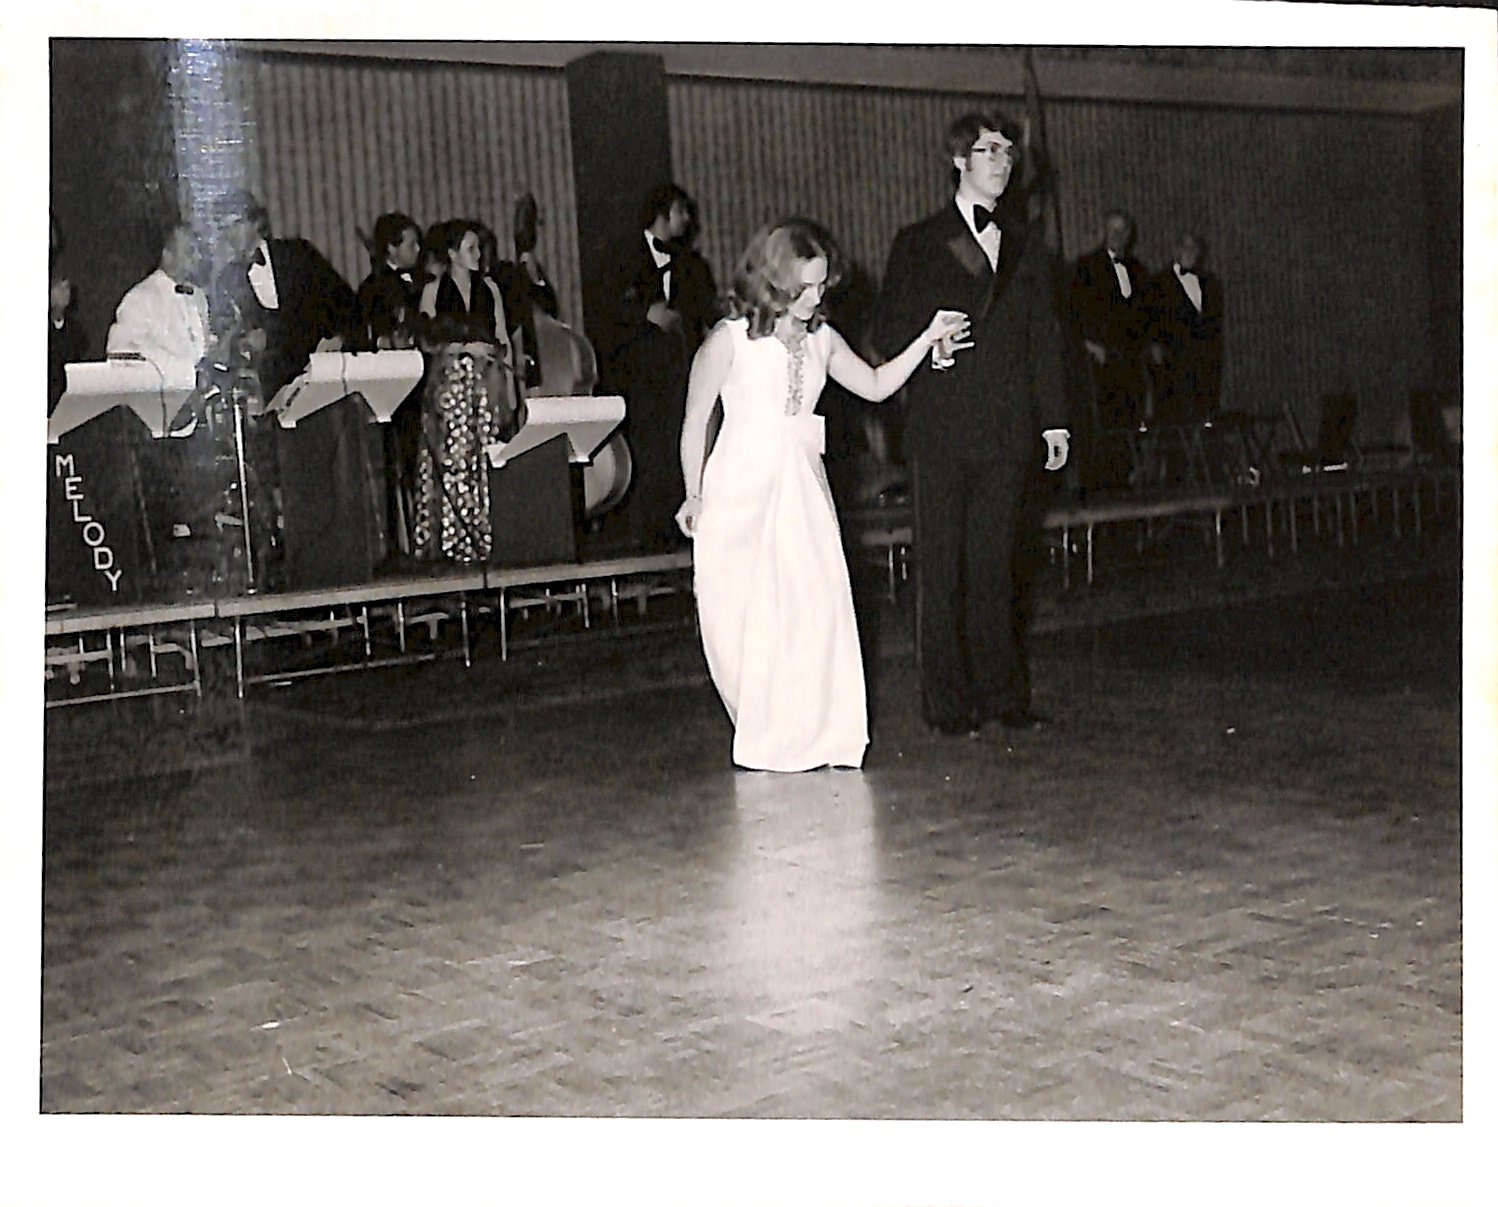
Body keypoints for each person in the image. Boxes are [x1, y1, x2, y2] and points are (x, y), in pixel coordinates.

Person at [676, 218, 970, 772]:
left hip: (801, 488)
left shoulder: (823, 341)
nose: (815, 298)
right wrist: (693, 494)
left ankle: (816, 736)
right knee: (733, 620)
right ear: (772, 281)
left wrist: (927, 340)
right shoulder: (728, 341)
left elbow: (877, 386)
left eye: (821, 285)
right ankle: (765, 728)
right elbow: (695, 422)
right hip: (738, 489)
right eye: (803, 287)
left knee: (814, 610)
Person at [870, 109, 1070, 739]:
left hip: (1008, 429)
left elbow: (1044, 337)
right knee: (942, 570)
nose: (1003, 162)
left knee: (996, 567)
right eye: (988, 151)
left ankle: (1004, 697)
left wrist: (1054, 421)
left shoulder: (1027, 244)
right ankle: (947, 704)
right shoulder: (918, 241)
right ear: (958, 161)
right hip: (943, 427)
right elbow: (887, 330)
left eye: (1008, 152)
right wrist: (928, 348)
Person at [596, 182, 718, 552]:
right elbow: (604, 307)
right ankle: (644, 530)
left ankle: (677, 527)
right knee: (645, 448)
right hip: (638, 374)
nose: (687, 218)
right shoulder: (622, 255)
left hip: (678, 370)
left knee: (676, 443)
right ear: (663, 214)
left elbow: (706, 313)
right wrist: (645, 314)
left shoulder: (692, 265)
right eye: (681, 211)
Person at [411, 219, 523, 564]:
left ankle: (484, 539)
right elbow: (426, 342)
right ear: (452, 254)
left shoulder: (490, 289)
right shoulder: (433, 291)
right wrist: (464, 347)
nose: (478, 255)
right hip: (450, 388)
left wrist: (510, 386)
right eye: (471, 249)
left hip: (486, 386)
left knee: (485, 459)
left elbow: (502, 337)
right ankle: (450, 541)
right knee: (453, 459)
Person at [210, 190, 358, 402]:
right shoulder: (226, 280)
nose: (230, 234)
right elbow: (225, 338)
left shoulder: (298, 253)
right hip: (273, 389)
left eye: (237, 223)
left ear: (257, 222)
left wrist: (340, 339)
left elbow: (345, 302)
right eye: (224, 228)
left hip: (322, 375)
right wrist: (245, 344)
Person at [1070, 208, 1150, 487]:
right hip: (1099, 364)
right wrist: (1090, 346)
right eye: (1112, 229)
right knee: (1103, 426)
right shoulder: (1085, 267)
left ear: (1129, 235)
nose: (1118, 235)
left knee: (1130, 422)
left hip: (1130, 364)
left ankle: (1126, 484)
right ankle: (1101, 488)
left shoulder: (1139, 271)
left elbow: (1146, 317)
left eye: (1122, 230)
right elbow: (1072, 314)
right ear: (1104, 232)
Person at [105, 221, 211, 377]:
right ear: (167, 255)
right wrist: (176, 370)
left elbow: (201, 351)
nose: (198, 257)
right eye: (190, 251)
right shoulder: (140, 299)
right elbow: (119, 358)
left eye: (198, 250)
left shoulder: (197, 297)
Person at [1144, 231, 1224, 426]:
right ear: (1175, 250)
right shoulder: (1157, 283)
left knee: (1204, 417)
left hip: (1204, 365)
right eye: (1184, 247)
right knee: (1173, 420)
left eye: (1193, 248)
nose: (1189, 252)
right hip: (1171, 364)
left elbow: (1214, 326)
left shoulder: (1211, 283)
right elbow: (1149, 322)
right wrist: (1156, 349)